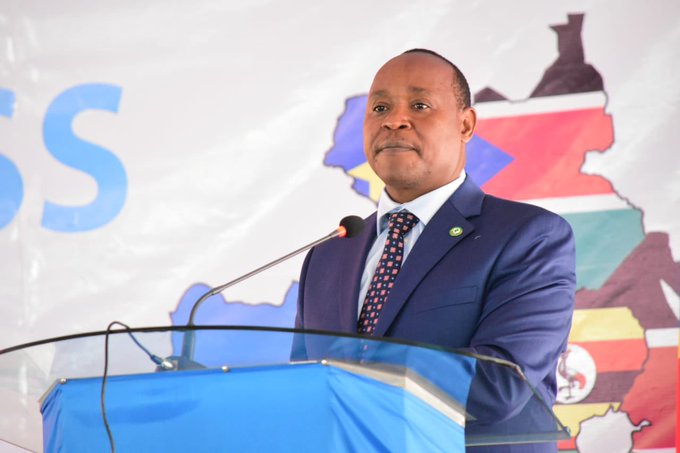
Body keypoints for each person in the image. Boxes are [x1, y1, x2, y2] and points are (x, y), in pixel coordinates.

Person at [295, 49, 575, 452]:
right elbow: (303, 390)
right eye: (380, 108)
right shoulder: (327, 256)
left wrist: (356, 367)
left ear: (465, 124)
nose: (394, 120)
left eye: (420, 105)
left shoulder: (529, 237)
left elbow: (500, 384)